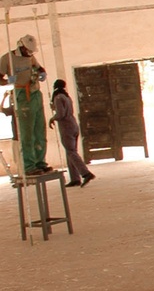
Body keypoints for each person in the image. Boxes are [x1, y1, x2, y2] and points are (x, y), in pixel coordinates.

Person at [0, 34, 52, 175]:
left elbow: (40, 68)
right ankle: (29, 166)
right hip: (22, 95)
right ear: (20, 46)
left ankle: (41, 162)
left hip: (36, 94)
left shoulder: (30, 57)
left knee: (39, 131)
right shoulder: (7, 59)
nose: (29, 54)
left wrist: (42, 74)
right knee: (27, 133)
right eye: (27, 51)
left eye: (31, 52)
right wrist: (7, 81)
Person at [49, 80, 94, 187]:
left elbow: (61, 114)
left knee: (71, 152)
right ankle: (75, 178)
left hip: (66, 127)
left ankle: (85, 173)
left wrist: (52, 118)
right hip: (73, 125)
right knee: (71, 152)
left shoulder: (58, 97)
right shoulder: (67, 97)